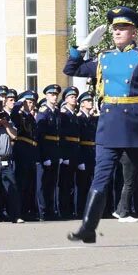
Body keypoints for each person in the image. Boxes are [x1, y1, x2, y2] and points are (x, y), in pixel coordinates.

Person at [64, 6, 138, 246]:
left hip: (135, 126)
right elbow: (71, 69)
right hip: (109, 125)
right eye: (115, 28)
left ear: (134, 32)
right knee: (101, 176)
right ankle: (88, 228)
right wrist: (82, 48)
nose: (117, 32)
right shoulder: (105, 58)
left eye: (123, 28)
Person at [10, 90, 39, 222]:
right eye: (28, 101)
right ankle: (19, 212)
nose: (31, 104)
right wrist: (17, 105)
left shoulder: (30, 117)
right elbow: (13, 117)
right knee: (21, 183)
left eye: (32, 102)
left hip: (31, 151)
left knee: (29, 184)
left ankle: (27, 211)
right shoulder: (19, 115)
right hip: (22, 151)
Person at [36, 84, 62, 220]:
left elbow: (59, 136)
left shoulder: (56, 112)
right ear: (46, 96)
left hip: (55, 151)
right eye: (52, 94)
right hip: (47, 152)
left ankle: (52, 210)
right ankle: (43, 211)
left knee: (53, 183)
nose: (54, 96)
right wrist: (45, 156)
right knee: (44, 184)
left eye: (56, 94)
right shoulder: (43, 112)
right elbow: (40, 137)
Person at [58, 86, 81, 219]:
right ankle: (64, 210)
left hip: (75, 151)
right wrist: (64, 155)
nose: (74, 99)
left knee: (72, 183)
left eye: (75, 97)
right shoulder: (63, 114)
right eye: (72, 97)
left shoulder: (73, 115)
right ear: (66, 99)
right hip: (67, 152)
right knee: (65, 184)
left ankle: (72, 209)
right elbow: (61, 137)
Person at [76, 92, 97, 215]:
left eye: (91, 100)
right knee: (82, 185)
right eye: (88, 101)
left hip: (92, 153)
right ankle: (80, 210)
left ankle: (90, 209)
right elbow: (77, 142)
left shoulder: (93, 119)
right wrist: (80, 160)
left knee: (92, 184)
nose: (90, 102)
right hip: (83, 153)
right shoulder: (79, 119)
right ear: (82, 104)